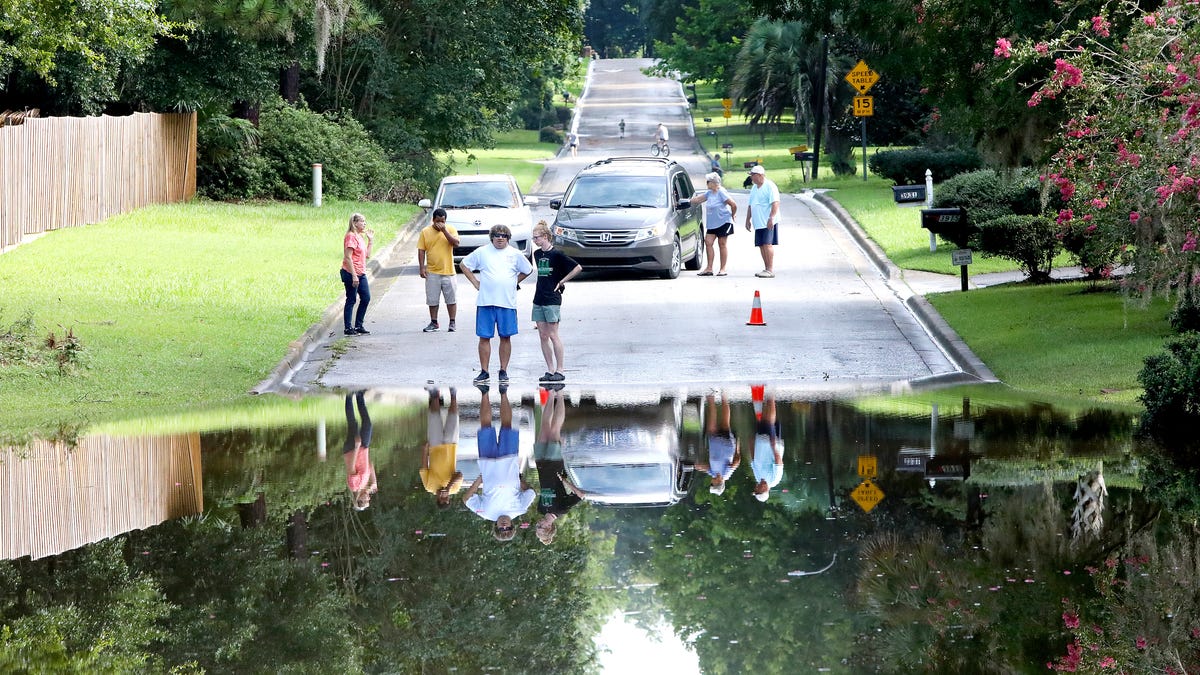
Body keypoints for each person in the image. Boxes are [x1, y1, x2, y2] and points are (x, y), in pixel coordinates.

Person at [460, 225, 534, 384]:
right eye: (497, 236)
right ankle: (484, 371)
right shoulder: (482, 251)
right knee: (484, 337)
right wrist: (475, 282)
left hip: (507, 302)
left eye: (504, 236)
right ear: (491, 237)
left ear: (508, 238)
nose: (500, 238)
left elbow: (528, 270)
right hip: (486, 302)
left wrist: (514, 282)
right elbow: (464, 265)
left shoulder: (515, 254)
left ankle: (503, 370)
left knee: (505, 337)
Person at [462, 384, 535, 541]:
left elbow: (466, 500)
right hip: (509, 460)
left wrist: (478, 481)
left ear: (496, 526)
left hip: (488, 463)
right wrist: (519, 480)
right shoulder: (520, 509)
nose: (504, 525)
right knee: (507, 426)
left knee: (485, 426)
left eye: (501, 529)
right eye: (508, 528)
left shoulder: (486, 513)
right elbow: (531, 493)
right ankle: (504, 393)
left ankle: (484, 393)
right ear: (512, 525)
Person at [531, 221, 582, 383]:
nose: (535, 241)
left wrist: (562, 281)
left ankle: (560, 369)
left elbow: (577, 267)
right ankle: (550, 369)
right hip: (539, 297)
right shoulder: (537, 254)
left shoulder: (557, 254)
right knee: (542, 335)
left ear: (545, 237)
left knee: (553, 334)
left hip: (552, 298)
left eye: (537, 238)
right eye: (534, 238)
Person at [533, 385, 581, 545]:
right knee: (555, 430)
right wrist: (564, 481)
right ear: (549, 527)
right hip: (554, 464)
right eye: (541, 527)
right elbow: (581, 495)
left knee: (544, 427)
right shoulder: (561, 509)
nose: (538, 524)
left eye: (537, 526)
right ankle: (560, 394)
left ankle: (550, 393)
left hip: (541, 465)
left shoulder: (541, 509)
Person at [417, 207, 460, 333]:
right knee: (432, 299)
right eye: (437, 221)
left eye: (443, 221)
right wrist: (421, 267)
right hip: (432, 271)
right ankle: (434, 322)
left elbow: (456, 243)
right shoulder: (425, 232)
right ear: (433, 220)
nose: (440, 223)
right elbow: (421, 250)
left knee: (451, 299)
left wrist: (445, 231)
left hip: (449, 271)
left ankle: (452, 322)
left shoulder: (450, 229)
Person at [420, 386, 462, 509]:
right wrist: (448, 488)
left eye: (442, 499)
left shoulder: (429, 487)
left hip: (435, 447)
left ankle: (435, 395)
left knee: (434, 418)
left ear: (437, 498)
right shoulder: (454, 488)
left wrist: (424, 451)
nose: (444, 496)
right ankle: (453, 395)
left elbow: (424, 468)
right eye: (446, 499)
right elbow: (459, 475)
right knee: (453, 419)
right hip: (451, 448)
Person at [689, 172, 737, 277]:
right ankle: (709, 268)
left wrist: (733, 215)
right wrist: (687, 201)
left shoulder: (721, 192)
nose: (706, 183)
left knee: (722, 244)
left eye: (708, 182)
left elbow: (733, 204)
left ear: (714, 183)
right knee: (708, 242)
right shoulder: (709, 193)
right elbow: (698, 199)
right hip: (712, 224)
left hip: (724, 221)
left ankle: (722, 269)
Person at [696, 391, 740, 496]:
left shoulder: (713, 473)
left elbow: (704, 467)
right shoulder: (726, 474)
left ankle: (710, 397)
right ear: (718, 484)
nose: (711, 482)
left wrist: (697, 466)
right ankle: (724, 396)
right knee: (725, 422)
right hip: (726, 444)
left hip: (714, 441)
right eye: (712, 484)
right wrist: (738, 449)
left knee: (711, 421)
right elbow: (736, 462)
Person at [342, 391, 377, 510]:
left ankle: (348, 395)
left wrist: (356, 447)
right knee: (367, 424)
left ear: (359, 499)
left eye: (366, 500)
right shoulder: (365, 484)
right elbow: (370, 466)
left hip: (352, 450)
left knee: (353, 424)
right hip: (363, 448)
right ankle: (359, 395)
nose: (369, 498)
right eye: (368, 500)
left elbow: (351, 467)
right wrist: (374, 481)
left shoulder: (354, 486)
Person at [339, 213, 373, 336]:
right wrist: (354, 275)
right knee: (351, 299)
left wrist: (370, 240)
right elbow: (348, 257)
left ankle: (359, 325)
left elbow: (367, 255)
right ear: (354, 223)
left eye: (365, 221)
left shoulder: (359, 236)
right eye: (362, 221)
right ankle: (348, 328)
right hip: (350, 272)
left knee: (366, 298)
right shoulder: (351, 237)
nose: (364, 223)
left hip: (361, 272)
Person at [744, 165, 780, 278]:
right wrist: (747, 219)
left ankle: (770, 269)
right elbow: (751, 204)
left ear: (760, 175)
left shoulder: (770, 186)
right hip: (758, 221)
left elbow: (775, 203)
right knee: (761, 245)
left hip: (767, 220)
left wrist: (771, 218)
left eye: (753, 175)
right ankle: (766, 268)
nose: (751, 178)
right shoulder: (754, 188)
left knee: (767, 244)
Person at [750, 389, 784, 502]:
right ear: (764, 490)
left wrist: (751, 445)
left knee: (763, 420)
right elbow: (779, 463)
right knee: (769, 421)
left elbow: (753, 461)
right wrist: (774, 446)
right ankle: (771, 396)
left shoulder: (758, 477)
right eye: (757, 490)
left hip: (760, 442)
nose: (756, 487)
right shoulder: (774, 480)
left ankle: (766, 396)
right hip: (770, 444)